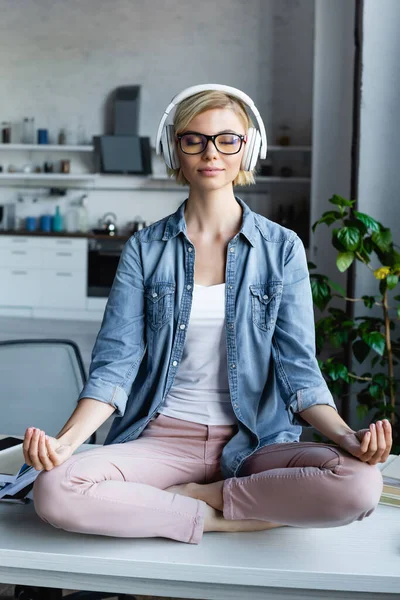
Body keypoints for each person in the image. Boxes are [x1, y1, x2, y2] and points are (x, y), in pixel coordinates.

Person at [27, 84, 390, 545]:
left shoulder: (282, 249)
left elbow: (299, 370)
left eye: (227, 139)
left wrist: (345, 436)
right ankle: (224, 517)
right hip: (162, 440)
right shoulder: (145, 248)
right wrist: (66, 443)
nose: (210, 152)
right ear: (174, 150)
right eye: (193, 139)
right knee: (55, 489)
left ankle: (202, 497)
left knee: (360, 485)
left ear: (248, 147)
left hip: (259, 441)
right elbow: (115, 364)